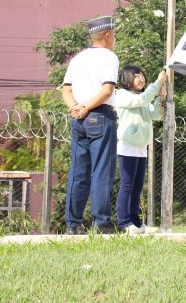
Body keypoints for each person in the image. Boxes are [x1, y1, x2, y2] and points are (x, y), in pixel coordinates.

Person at [62, 15, 119, 235]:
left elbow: (66, 90)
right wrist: (87, 107)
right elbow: (107, 90)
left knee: (78, 171)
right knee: (101, 170)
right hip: (100, 115)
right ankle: (101, 223)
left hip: (78, 119)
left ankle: (72, 224)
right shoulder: (109, 57)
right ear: (108, 35)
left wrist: (76, 108)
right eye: (114, 35)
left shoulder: (78, 59)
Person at [114, 65, 167, 235]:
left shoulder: (142, 98)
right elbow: (141, 101)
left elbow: (155, 114)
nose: (141, 79)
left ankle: (136, 222)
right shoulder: (122, 95)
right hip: (128, 147)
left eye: (142, 76)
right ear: (126, 78)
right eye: (136, 76)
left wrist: (159, 99)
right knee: (127, 185)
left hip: (141, 147)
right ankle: (124, 223)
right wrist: (157, 84)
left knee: (137, 187)